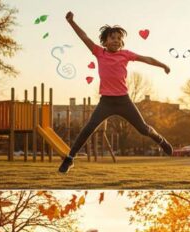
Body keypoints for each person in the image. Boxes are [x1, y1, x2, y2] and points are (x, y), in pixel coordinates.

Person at [58, 11, 173, 174]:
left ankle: (160, 140)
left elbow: (148, 59)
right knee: (88, 128)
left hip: (124, 101)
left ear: (122, 43)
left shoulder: (126, 55)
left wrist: (164, 65)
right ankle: (69, 159)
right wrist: (71, 22)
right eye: (112, 38)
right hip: (106, 102)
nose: (116, 41)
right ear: (104, 41)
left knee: (143, 129)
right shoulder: (99, 52)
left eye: (119, 38)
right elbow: (83, 37)